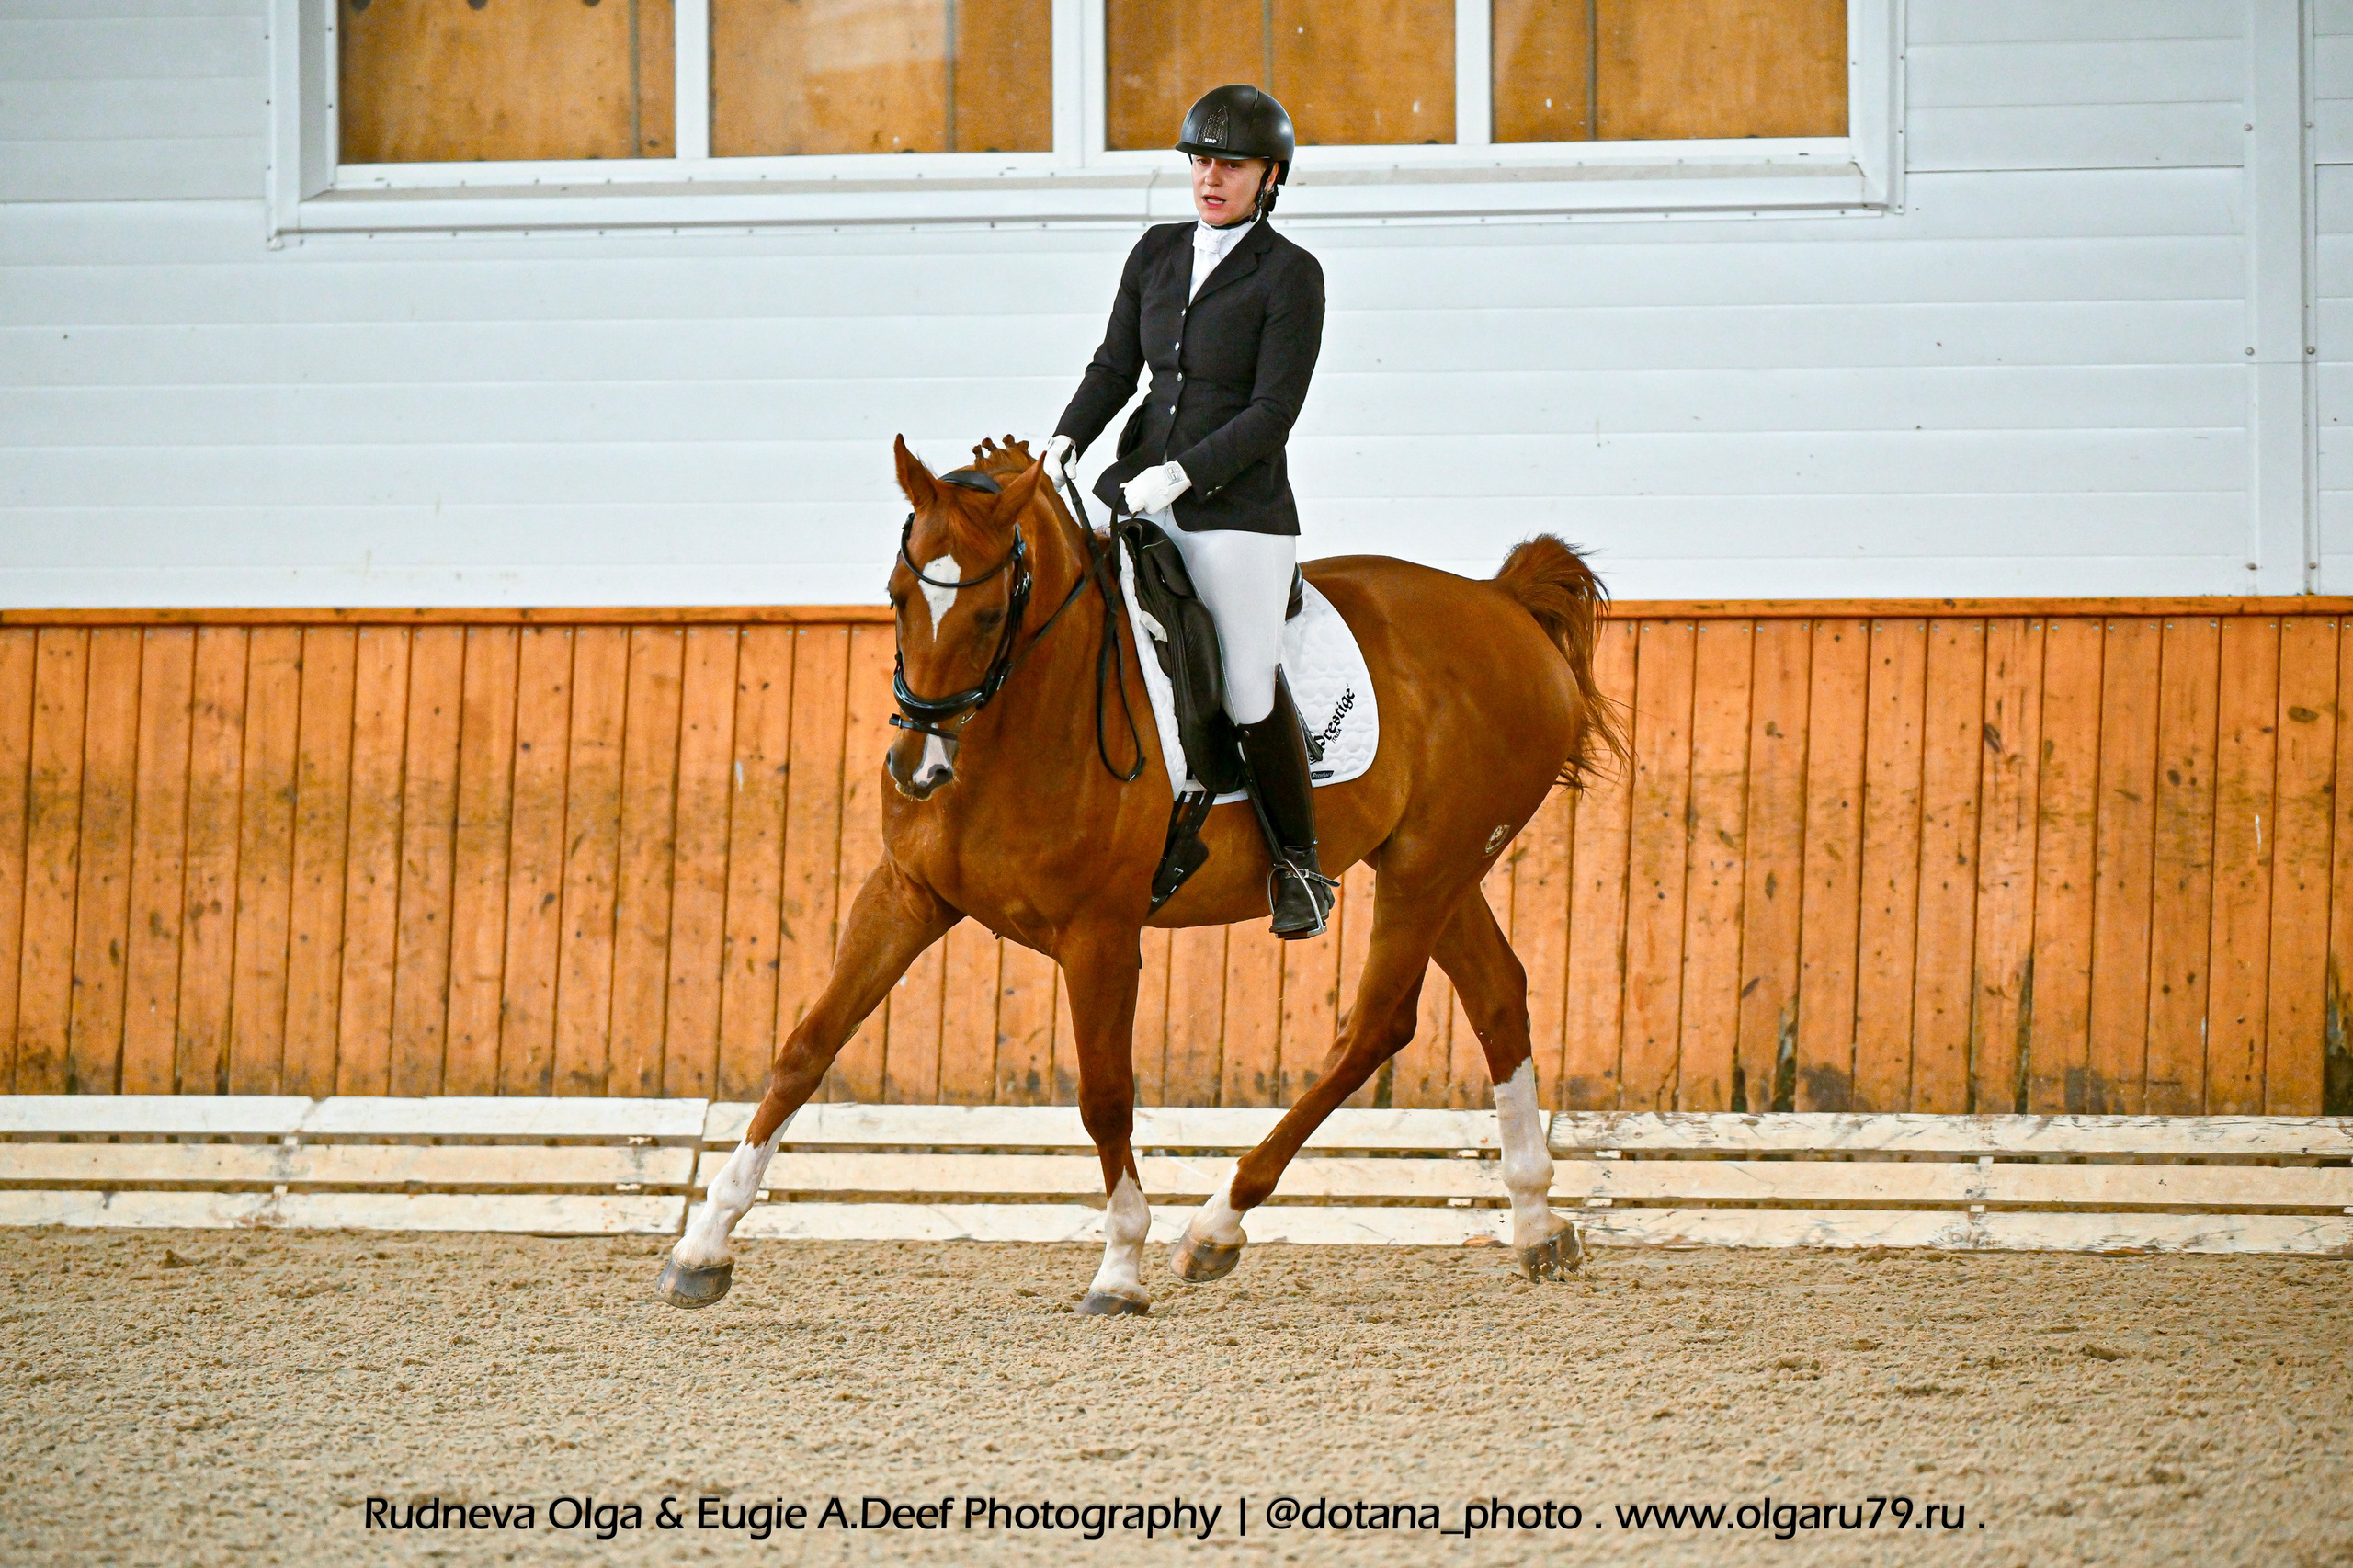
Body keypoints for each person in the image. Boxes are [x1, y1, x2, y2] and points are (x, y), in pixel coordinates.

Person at [1044, 85, 1334, 939]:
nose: (1211, 178)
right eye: (1202, 161)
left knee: (1245, 684)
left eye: (1231, 165)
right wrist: (1065, 441)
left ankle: (1299, 865)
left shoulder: (1291, 275)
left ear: (1269, 176)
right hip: (1136, 485)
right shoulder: (1156, 253)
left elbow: (1273, 412)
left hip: (1237, 510)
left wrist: (1181, 475)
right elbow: (1114, 366)